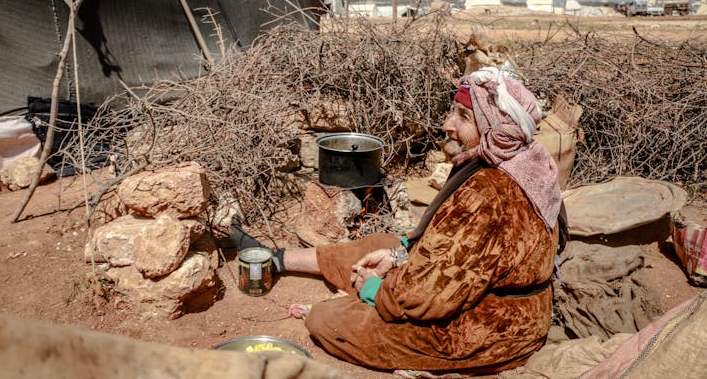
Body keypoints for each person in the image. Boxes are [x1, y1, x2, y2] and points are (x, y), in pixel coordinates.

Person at [229, 66, 562, 374]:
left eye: (462, 116)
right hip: (475, 296)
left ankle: (349, 294)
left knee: (326, 318)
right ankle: (277, 259)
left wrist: (374, 289)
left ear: (493, 126)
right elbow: (449, 251)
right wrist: (398, 256)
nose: (447, 124)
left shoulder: (488, 195)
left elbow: (428, 297)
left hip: (488, 331)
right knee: (381, 245)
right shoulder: (524, 162)